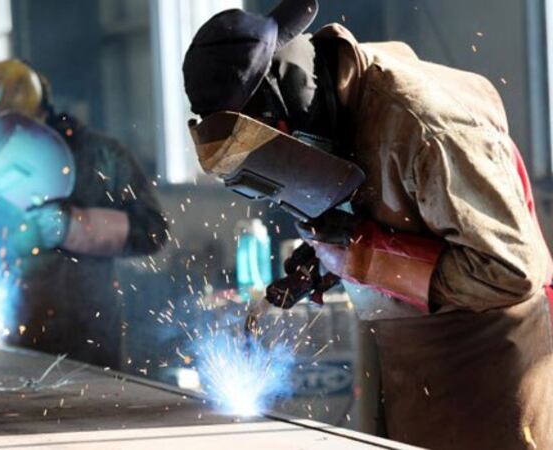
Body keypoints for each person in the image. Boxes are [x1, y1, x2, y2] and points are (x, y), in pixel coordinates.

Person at [182, 1, 553, 448]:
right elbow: (397, 215)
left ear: (282, 113)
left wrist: (361, 257)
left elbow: (513, 272)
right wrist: (328, 258)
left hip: (495, 379)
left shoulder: (425, 128)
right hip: (416, 373)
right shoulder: (334, 104)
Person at [0, 59, 167, 368]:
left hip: (90, 342)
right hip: (16, 343)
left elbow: (152, 231)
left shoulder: (103, 157)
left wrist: (75, 227)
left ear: (36, 117)